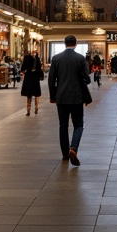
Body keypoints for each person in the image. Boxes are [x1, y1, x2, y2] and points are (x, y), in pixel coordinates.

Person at [48, 35, 91, 166]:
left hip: (61, 97)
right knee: (78, 125)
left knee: (63, 125)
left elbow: (51, 80)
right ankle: (74, 147)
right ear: (76, 44)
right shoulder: (80, 58)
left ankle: (65, 154)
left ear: (65, 43)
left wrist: (53, 96)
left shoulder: (56, 58)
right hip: (77, 97)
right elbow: (87, 78)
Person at [20, 49, 43, 116]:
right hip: (30, 77)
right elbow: (23, 67)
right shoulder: (28, 58)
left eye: (35, 52)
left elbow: (39, 68)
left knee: (35, 94)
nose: (34, 53)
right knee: (29, 94)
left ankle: (36, 108)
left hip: (33, 77)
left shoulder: (37, 58)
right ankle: (28, 109)